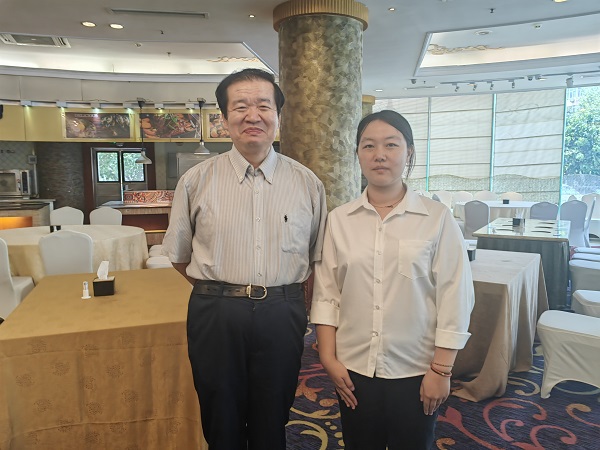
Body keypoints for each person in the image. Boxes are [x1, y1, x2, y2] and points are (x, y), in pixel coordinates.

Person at [162, 68, 327, 450]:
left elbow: (316, 257)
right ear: (224, 119)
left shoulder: (307, 183)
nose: (253, 116)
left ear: (278, 116)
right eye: (240, 107)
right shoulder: (196, 180)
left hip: (282, 312)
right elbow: (179, 256)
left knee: (274, 414)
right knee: (220, 417)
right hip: (215, 312)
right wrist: (221, 291)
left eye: (263, 106)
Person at [310, 110, 474, 450]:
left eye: (391, 145)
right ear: (357, 154)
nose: (379, 155)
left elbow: (455, 296)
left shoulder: (436, 218)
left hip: (416, 369)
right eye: (369, 146)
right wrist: (328, 358)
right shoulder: (339, 220)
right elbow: (327, 294)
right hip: (353, 368)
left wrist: (441, 370)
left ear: (409, 152)